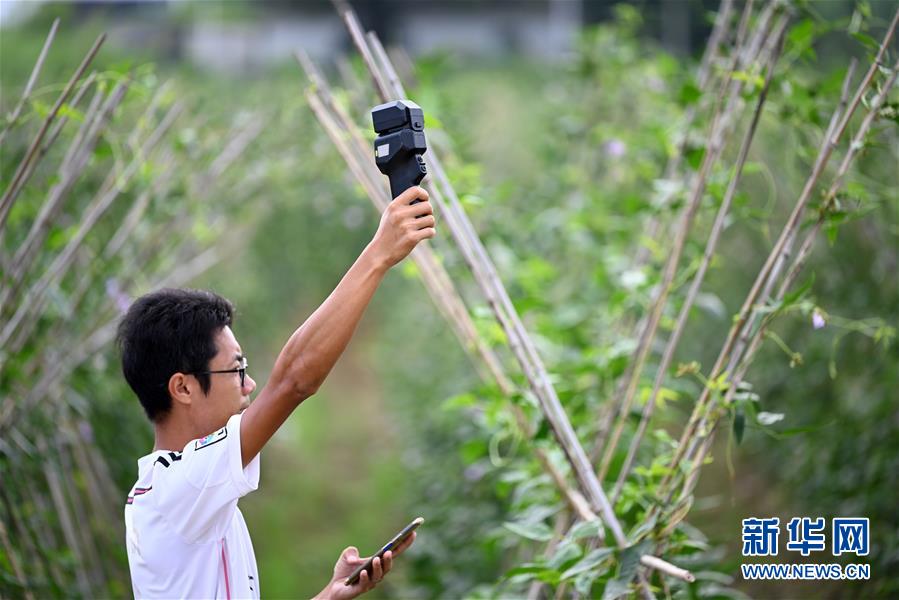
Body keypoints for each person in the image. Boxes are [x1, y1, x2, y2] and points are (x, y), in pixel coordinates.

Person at [117, 187, 435, 599]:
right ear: (183, 387)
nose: (249, 385)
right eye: (237, 370)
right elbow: (294, 381)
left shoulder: (194, 495)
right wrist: (378, 255)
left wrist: (331, 594)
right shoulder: (182, 486)